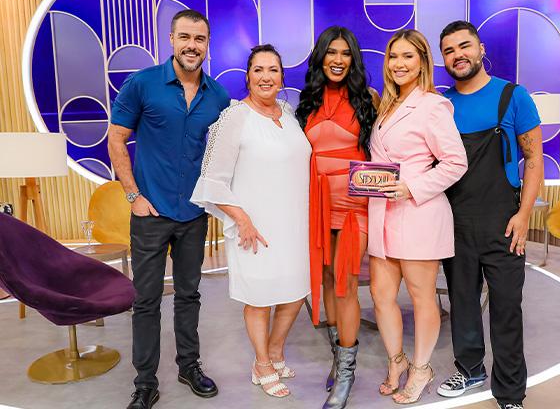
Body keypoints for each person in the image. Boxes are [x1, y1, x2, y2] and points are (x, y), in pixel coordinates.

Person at [108, 9, 230, 409]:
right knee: (145, 299)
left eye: (200, 39)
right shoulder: (142, 84)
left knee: (189, 294)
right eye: (185, 37)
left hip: (194, 214)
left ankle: (188, 365)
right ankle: (145, 383)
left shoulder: (219, 97)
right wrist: (132, 195)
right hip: (151, 212)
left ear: (207, 45)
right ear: (172, 40)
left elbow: (221, 157)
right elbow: (117, 138)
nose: (192, 45)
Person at [191, 44, 311, 398]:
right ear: (248, 76)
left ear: (281, 77)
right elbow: (212, 178)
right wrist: (241, 219)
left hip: (293, 224)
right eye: (258, 70)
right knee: (259, 298)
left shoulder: (288, 113)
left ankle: (275, 351)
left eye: (273, 70)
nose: (266, 77)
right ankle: (261, 362)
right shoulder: (235, 117)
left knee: (292, 294)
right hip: (253, 227)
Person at [437, 20, 543, 409]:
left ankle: (511, 392)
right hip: (455, 220)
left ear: (480, 49)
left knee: (506, 308)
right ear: (443, 59)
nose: (457, 55)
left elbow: (533, 160)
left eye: (464, 46)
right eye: (448, 50)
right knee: (461, 302)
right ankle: (470, 369)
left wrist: (524, 214)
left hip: (504, 220)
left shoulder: (514, 96)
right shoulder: (442, 105)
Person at [368, 29, 468, 405]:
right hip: (382, 210)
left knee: (421, 296)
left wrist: (412, 188)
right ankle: (397, 361)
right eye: (394, 56)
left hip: (418, 211)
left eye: (408, 56)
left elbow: (456, 162)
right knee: (381, 295)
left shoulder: (432, 105)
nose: (399, 64)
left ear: (423, 62)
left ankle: (422, 366)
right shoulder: (386, 106)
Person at [295, 26, 378, 409]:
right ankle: (337, 355)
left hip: (354, 206)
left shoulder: (368, 99)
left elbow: (384, 152)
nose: (338, 59)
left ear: (353, 59)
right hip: (317, 204)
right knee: (328, 278)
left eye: (346, 53)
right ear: (321, 57)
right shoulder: (306, 101)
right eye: (332, 52)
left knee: (345, 282)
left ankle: (346, 373)